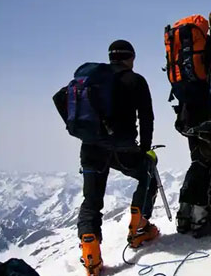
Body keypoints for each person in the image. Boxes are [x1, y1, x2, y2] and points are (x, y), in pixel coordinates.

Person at [55, 40, 158, 276]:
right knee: (148, 174)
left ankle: (91, 256)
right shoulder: (136, 80)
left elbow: (60, 99)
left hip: (91, 147)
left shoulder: (91, 81)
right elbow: (146, 118)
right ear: (130, 57)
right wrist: (145, 149)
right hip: (123, 149)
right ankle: (139, 228)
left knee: (91, 202)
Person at [175, 7, 211, 236]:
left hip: (187, 111)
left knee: (197, 161)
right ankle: (200, 218)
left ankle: (184, 214)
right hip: (209, 113)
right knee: (206, 162)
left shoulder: (195, 46)